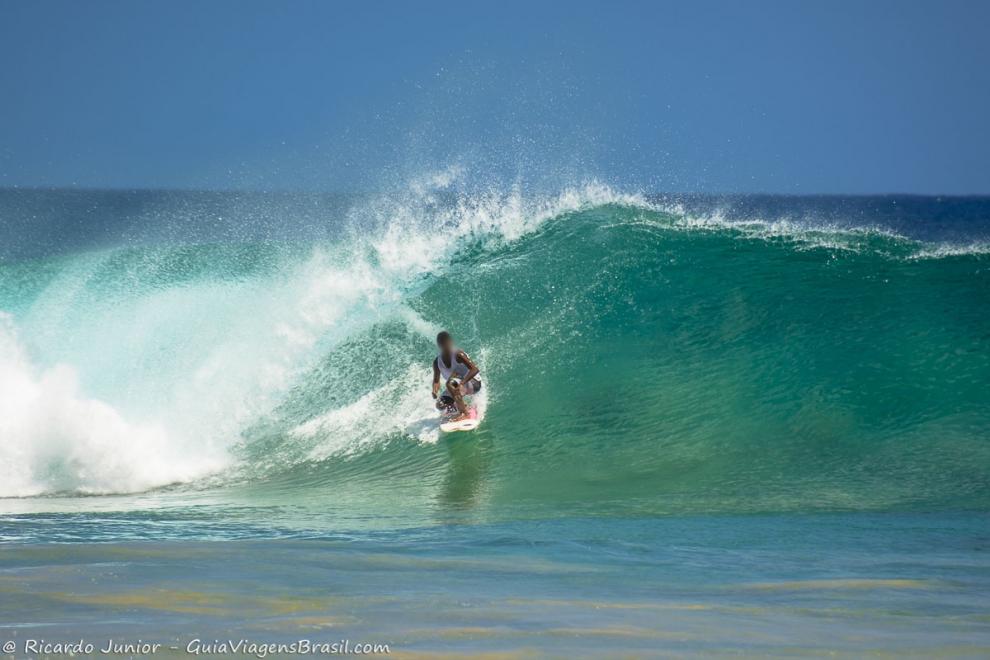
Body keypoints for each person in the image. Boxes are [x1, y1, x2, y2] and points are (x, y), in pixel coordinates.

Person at [432, 331, 482, 422]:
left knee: (450, 383)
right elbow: (436, 381)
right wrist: (434, 390)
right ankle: (462, 406)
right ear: (440, 346)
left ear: (451, 343)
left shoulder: (458, 354)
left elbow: (475, 369)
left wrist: (463, 383)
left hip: (473, 383)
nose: (447, 347)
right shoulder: (437, 362)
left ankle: (464, 413)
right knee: (440, 405)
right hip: (457, 385)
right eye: (443, 345)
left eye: (448, 344)